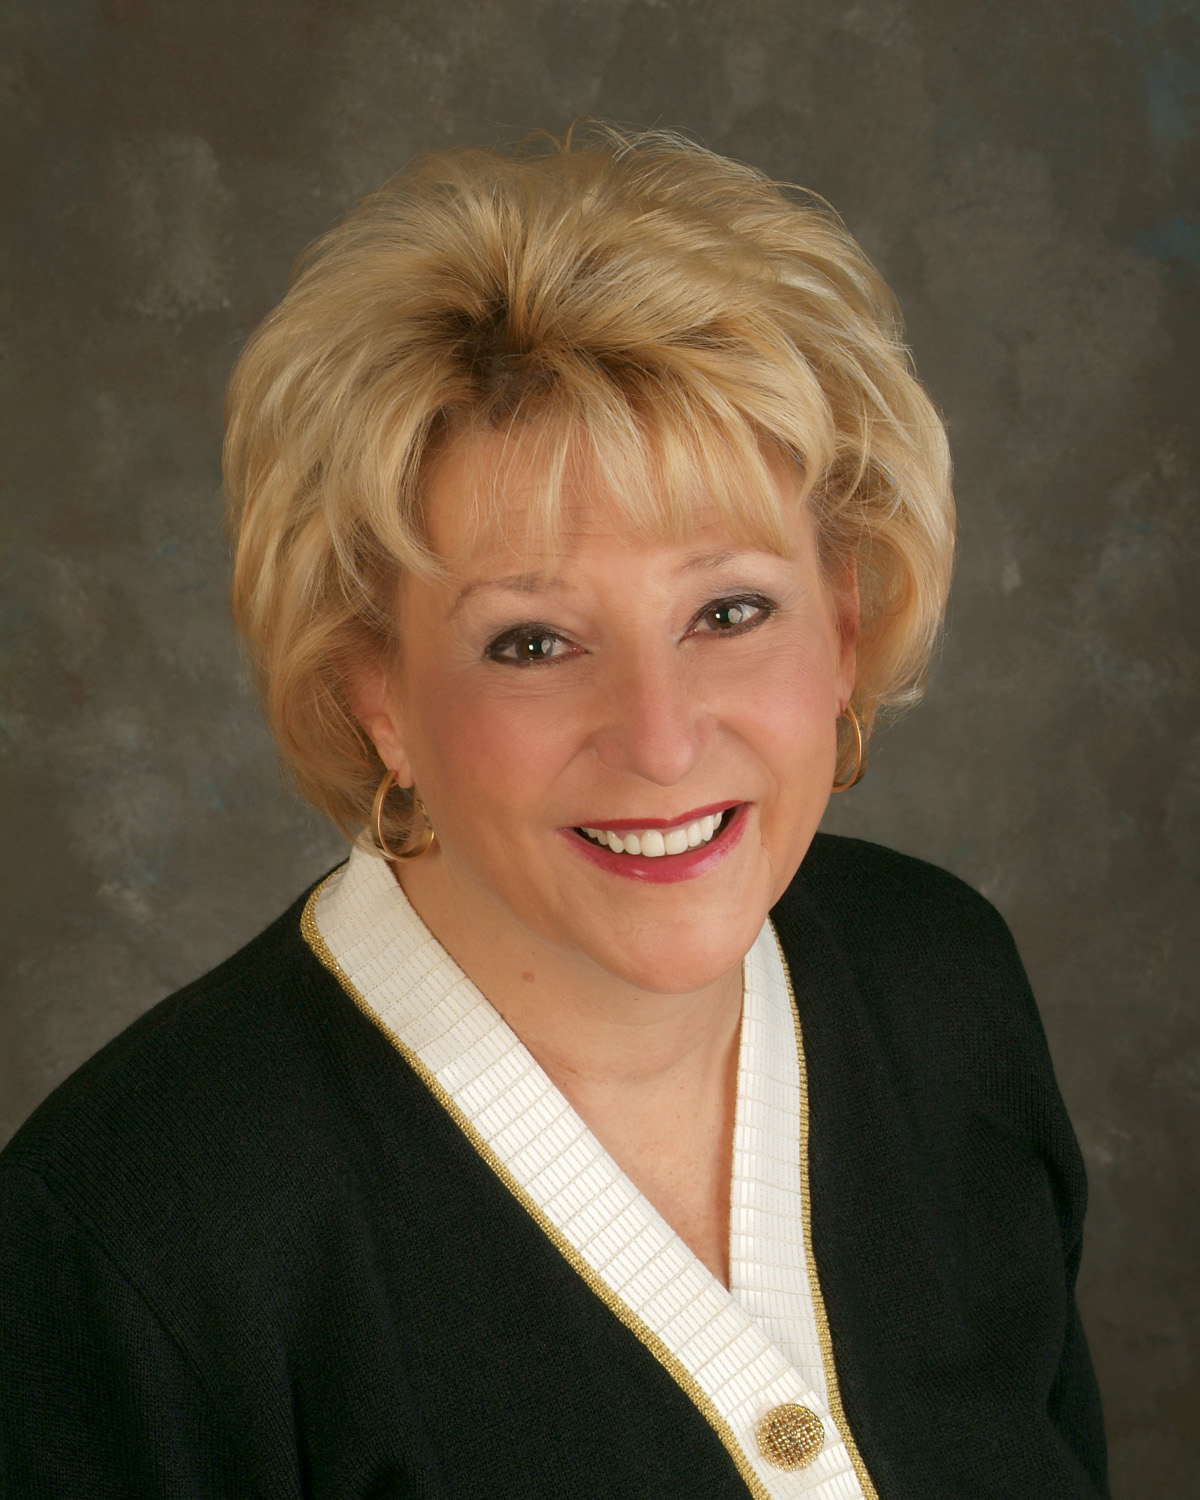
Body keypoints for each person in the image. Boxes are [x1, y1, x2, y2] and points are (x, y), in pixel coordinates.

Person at [0, 126, 1107, 1499]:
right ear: (374, 691)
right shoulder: (133, 1244)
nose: (660, 738)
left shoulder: (940, 982)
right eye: (532, 642)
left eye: (730, 611)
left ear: (844, 616)